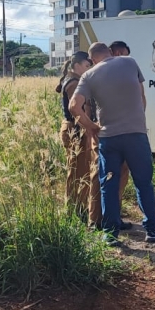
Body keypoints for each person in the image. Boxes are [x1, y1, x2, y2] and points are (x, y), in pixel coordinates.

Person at [70, 42, 155, 245]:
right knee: (143, 184)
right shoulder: (129, 62)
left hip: (108, 138)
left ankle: (110, 234)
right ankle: (152, 230)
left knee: (108, 186)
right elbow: (142, 97)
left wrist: (91, 126)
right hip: (136, 135)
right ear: (110, 52)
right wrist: (137, 119)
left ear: (92, 58)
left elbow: (74, 106)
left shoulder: (89, 75)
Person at [56, 52, 101, 227]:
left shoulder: (73, 79)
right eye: (86, 66)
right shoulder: (74, 82)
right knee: (77, 171)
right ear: (76, 65)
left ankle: (78, 208)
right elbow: (78, 109)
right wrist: (90, 126)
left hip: (76, 128)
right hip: (76, 129)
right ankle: (76, 209)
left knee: (79, 169)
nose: (88, 69)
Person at [108, 41, 132, 202]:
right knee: (119, 171)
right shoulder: (114, 73)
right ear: (118, 53)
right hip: (117, 129)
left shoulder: (99, 72)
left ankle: (110, 214)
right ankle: (112, 214)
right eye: (125, 55)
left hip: (110, 129)